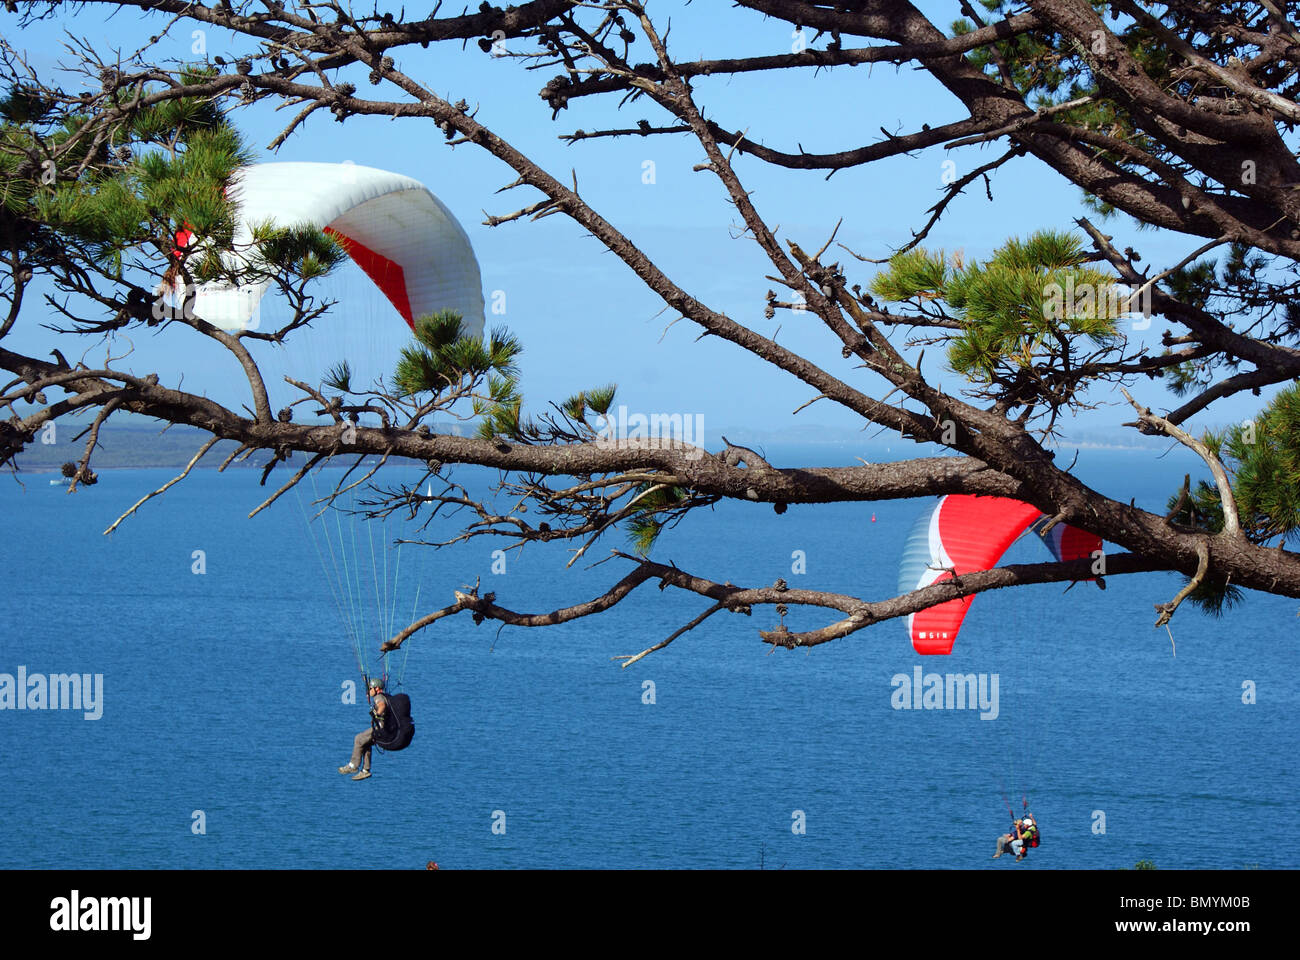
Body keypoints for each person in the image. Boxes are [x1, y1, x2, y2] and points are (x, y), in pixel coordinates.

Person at [338, 677, 388, 781]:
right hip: (384, 729)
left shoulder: (379, 697)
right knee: (366, 743)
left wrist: (377, 714)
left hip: (380, 729)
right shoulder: (385, 696)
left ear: (377, 688)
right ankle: (365, 770)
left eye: (370, 688)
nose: (369, 690)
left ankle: (353, 766)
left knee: (358, 739)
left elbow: (382, 705)